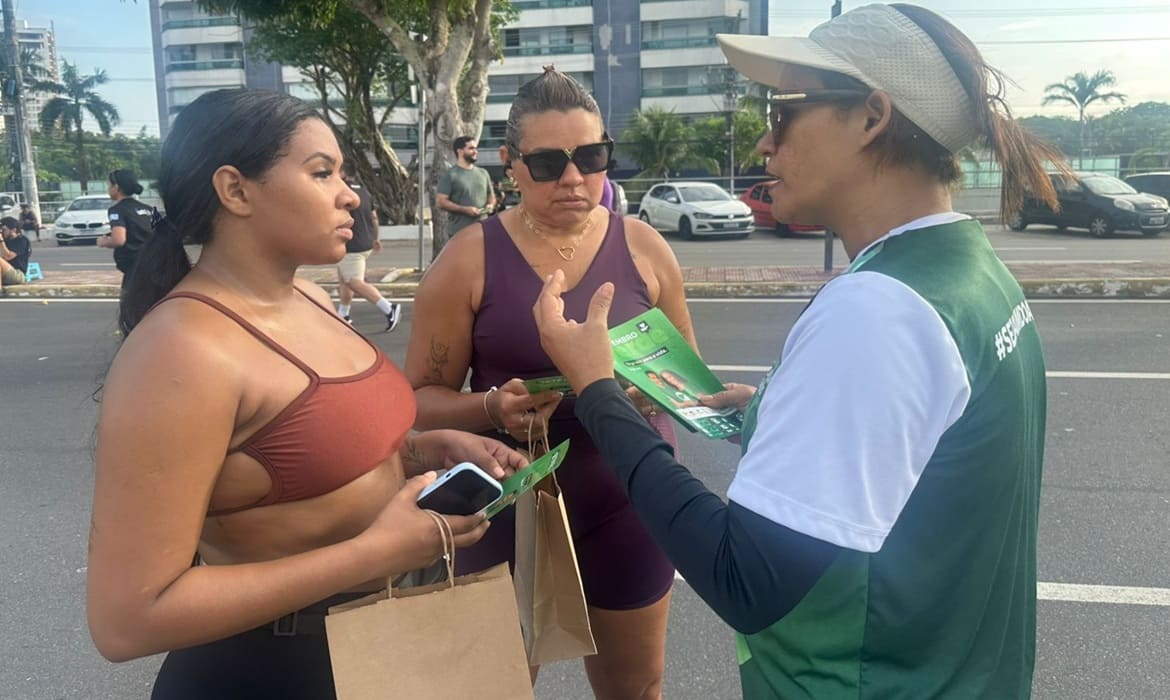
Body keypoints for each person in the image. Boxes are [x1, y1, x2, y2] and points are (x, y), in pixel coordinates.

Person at [532, 4, 1067, 698]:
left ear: (872, 117)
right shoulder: (969, 270)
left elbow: (744, 578)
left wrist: (598, 390)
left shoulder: (877, 309)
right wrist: (774, 409)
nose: (764, 143)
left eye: (782, 114)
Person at [88, 88, 527, 699]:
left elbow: (318, 453)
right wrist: (372, 554)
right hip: (280, 667)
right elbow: (127, 619)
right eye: (322, 173)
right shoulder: (182, 350)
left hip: (389, 639)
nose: (350, 195)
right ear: (235, 190)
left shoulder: (311, 297)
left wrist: (424, 450)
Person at [404, 67, 698, 699]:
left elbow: (686, 377)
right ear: (510, 164)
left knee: (637, 689)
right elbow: (419, 403)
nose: (572, 178)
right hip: (505, 504)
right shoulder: (469, 258)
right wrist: (491, 407)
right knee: (495, 690)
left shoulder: (645, 247)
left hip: (629, 498)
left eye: (591, 158)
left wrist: (641, 392)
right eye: (547, 163)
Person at [335, 161, 401, 331]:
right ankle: (343, 315)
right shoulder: (364, 191)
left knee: (354, 281)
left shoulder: (342, 191)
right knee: (344, 279)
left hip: (352, 245)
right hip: (365, 243)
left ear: (343, 173)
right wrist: (375, 238)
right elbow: (374, 217)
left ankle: (389, 309)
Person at [97, 169, 155, 288]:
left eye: (109, 185)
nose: (108, 189)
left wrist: (103, 241)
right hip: (154, 262)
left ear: (116, 187)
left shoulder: (117, 210)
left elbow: (119, 240)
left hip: (134, 267)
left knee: (132, 299)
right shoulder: (148, 209)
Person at [435, 135, 495, 236]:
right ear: (460, 151)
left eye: (476, 148)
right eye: (471, 148)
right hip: (459, 233)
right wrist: (465, 210)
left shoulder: (483, 173)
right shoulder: (450, 175)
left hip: (483, 231)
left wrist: (490, 205)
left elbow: (491, 196)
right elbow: (440, 202)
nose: (475, 151)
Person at [0, 216, 31, 293]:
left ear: (13, 230)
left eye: (4, 230)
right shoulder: (6, 240)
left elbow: (8, 256)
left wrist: (1, 241)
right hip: (4, 273)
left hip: (18, 275)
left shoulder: (22, 240)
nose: (2, 232)